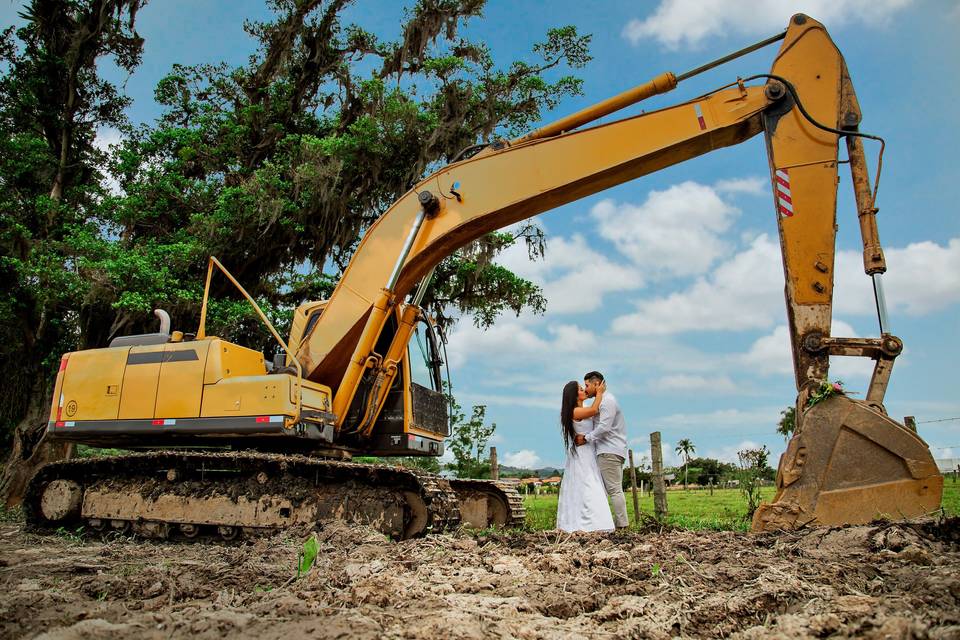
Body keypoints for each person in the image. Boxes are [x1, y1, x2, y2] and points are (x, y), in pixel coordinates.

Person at [556, 380, 615, 533]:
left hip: (588, 450)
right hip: (583, 454)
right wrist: (600, 392)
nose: (584, 390)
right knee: (588, 485)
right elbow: (595, 410)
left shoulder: (580, 409)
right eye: (581, 389)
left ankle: (591, 522)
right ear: (575, 395)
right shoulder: (575, 411)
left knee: (588, 484)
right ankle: (592, 524)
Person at [575, 371, 629, 529]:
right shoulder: (602, 402)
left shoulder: (607, 402)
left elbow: (604, 427)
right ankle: (603, 523)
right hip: (609, 450)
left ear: (596, 384)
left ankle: (622, 525)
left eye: (587, 385)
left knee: (613, 489)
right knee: (604, 490)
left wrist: (586, 438)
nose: (585, 389)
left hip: (609, 450)